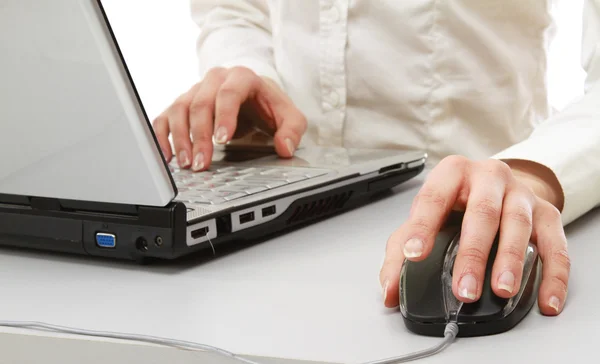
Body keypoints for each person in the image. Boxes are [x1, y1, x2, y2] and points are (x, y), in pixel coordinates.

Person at [152, 0, 600, 316]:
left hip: (485, 203)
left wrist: (533, 171)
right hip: (284, 197)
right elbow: (232, 9)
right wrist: (244, 68)